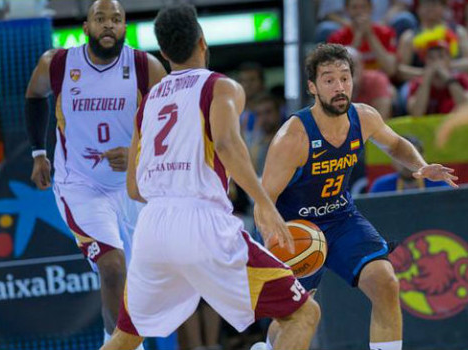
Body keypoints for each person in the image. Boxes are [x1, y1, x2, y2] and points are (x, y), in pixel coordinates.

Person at [100, 4, 320, 350]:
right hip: (202, 224)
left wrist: (172, 184)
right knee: (304, 313)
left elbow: (134, 187)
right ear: (203, 42)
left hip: (153, 228)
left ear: (164, 53)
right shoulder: (221, 87)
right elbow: (228, 143)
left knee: (124, 338)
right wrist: (263, 203)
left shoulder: (148, 102)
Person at [259, 43, 457, 350]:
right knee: (296, 316)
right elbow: (263, 200)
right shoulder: (293, 137)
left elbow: (396, 145)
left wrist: (420, 166)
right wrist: (274, 242)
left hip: (341, 218)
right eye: (328, 80)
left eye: (345, 78)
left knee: (386, 283)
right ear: (312, 86)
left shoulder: (364, 117)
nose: (339, 87)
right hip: (295, 229)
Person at [24, 0, 166, 345]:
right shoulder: (57, 63)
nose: (108, 25)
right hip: (80, 185)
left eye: (116, 20)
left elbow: (169, 125)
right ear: (86, 27)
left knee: (137, 282)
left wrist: (136, 154)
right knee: (113, 267)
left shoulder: (145, 66)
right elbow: (33, 96)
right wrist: (39, 154)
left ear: (125, 28)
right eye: (99, 19)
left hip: (131, 187)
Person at [369, 135, 449, 192]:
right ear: (392, 160)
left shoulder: (439, 185)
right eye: (400, 157)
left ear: (423, 159)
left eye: (411, 157)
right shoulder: (381, 187)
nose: (406, 163)